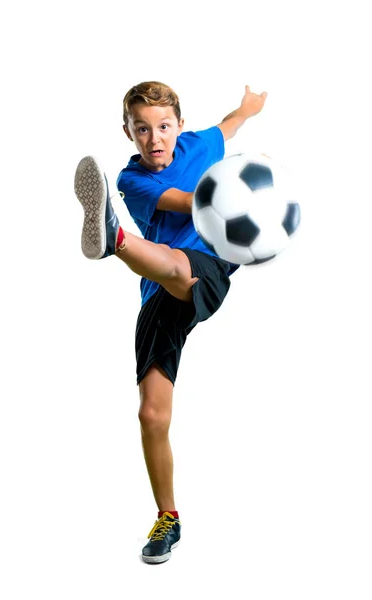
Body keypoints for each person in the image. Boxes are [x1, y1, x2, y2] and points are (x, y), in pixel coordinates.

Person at [74, 81, 268, 564]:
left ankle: (113, 239)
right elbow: (189, 202)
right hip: (158, 290)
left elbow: (227, 126)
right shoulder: (131, 181)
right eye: (142, 129)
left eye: (163, 126)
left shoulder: (198, 144)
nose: (154, 139)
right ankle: (169, 519)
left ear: (179, 125)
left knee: (180, 265)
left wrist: (248, 107)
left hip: (206, 267)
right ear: (128, 132)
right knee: (152, 415)